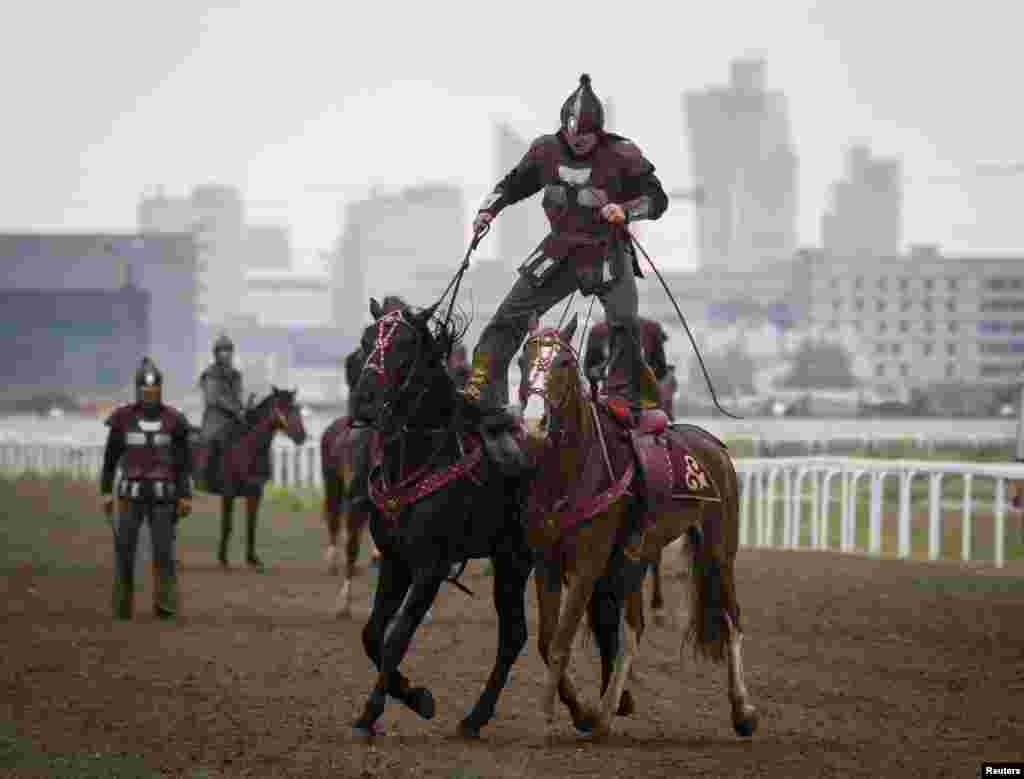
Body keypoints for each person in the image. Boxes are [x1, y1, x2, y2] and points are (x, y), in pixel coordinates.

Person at [459, 73, 669, 464]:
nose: (577, 143)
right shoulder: (544, 151)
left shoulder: (623, 154)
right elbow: (512, 184)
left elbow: (658, 199)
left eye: (585, 138)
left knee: (624, 321)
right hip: (559, 250)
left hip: (607, 251)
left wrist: (626, 209)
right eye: (572, 136)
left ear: (599, 132)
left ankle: (625, 398)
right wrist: (488, 209)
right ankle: (486, 397)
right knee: (507, 317)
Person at [100, 358, 192, 620]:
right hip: (130, 496)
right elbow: (110, 460)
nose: (149, 395)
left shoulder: (175, 421)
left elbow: (183, 464)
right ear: (137, 390)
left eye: (153, 390)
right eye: (144, 390)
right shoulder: (122, 419)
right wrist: (106, 492)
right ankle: (122, 606)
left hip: (164, 497)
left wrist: (185, 495)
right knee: (125, 551)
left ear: (160, 389)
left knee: (164, 552)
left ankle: (165, 605)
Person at [349, 295, 411, 512]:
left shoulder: (403, 347)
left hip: (397, 412)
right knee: (359, 438)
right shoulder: (360, 354)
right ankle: (358, 489)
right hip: (369, 413)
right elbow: (358, 387)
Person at [584, 316, 674, 418]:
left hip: (622, 404)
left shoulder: (651, 328)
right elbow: (661, 372)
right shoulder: (598, 331)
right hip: (620, 405)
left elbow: (661, 371)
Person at [198, 333, 245, 492]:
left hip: (234, 420)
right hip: (215, 419)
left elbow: (239, 396)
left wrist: (242, 409)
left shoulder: (236, 375)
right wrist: (234, 409)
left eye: (228, 351)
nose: (226, 354)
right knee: (208, 442)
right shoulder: (210, 374)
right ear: (216, 353)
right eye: (222, 351)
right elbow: (213, 398)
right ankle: (202, 477)